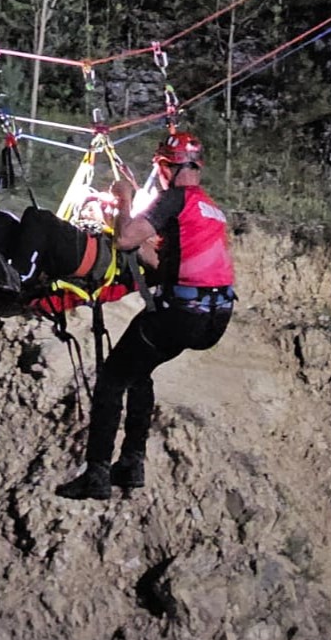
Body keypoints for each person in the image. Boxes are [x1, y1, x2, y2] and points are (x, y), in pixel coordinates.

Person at [55, 130, 236, 501]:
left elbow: (125, 239)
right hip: (214, 316)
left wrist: (123, 200)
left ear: (167, 167)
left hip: (182, 314)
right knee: (139, 371)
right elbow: (163, 260)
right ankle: (131, 464)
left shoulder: (174, 199)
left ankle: (97, 473)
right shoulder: (210, 208)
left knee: (111, 378)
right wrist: (129, 233)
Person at [0, 187, 143, 297]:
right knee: (1, 219)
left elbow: (128, 238)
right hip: (60, 254)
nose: (87, 212)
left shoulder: (121, 229)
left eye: (95, 208)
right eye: (86, 208)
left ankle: (19, 279)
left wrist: (122, 200)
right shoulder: (71, 230)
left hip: (92, 259)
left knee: (39, 217)